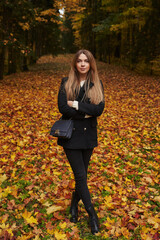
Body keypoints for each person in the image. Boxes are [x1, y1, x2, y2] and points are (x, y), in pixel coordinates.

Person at [57, 49, 104, 235]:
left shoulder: (97, 84)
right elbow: (62, 107)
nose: (83, 64)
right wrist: (87, 111)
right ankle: (92, 214)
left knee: (81, 175)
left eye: (86, 61)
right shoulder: (66, 82)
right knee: (81, 176)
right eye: (79, 61)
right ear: (75, 64)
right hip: (71, 136)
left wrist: (75, 105)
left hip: (89, 136)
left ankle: (74, 206)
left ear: (91, 63)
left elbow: (99, 109)